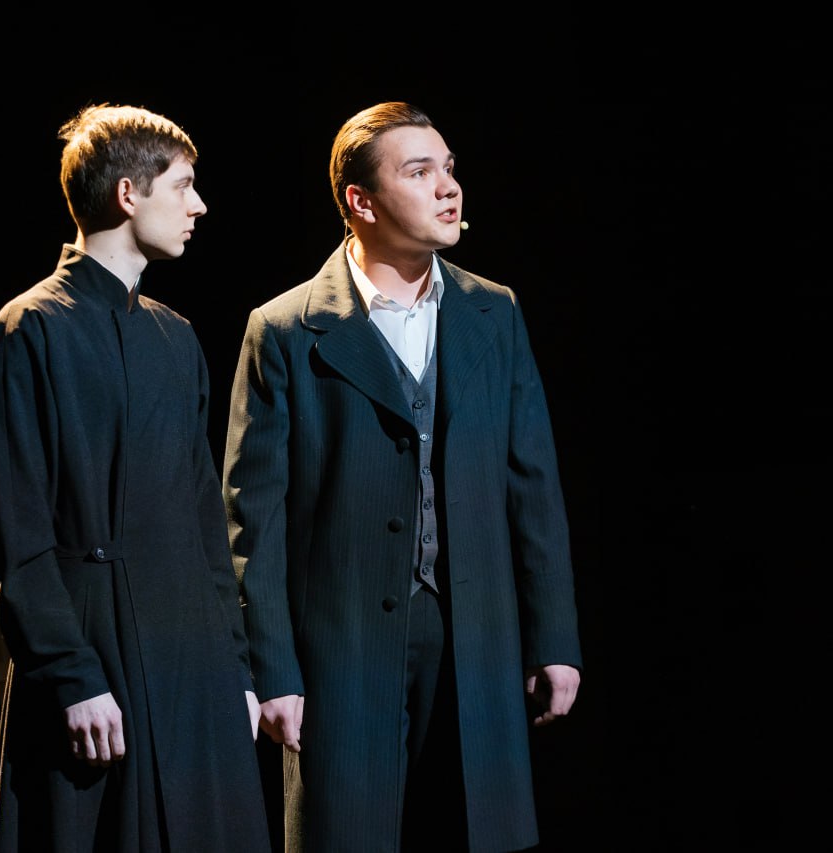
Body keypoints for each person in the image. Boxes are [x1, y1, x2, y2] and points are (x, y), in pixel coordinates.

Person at [221, 101, 583, 852]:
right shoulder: (285, 329)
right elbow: (254, 519)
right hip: (343, 643)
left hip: (474, 633)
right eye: (419, 172)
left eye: (448, 168)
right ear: (362, 201)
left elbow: (533, 486)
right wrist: (273, 666)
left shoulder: (492, 312)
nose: (448, 187)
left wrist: (554, 636)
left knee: (474, 827)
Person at [0, 102, 272, 852]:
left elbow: (205, 523)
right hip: (95, 651)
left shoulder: (176, 336)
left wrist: (237, 667)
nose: (199, 204)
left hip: (193, 658)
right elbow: (18, 529)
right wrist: (70, 674)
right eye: (184, 185)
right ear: (129, 194)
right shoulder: (28, 331)